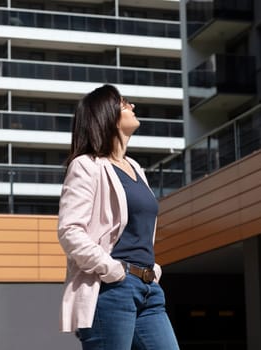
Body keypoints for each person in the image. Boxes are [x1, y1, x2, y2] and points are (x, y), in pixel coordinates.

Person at [57, 84, 180, 350]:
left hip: (149, 289)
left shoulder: (135, 167)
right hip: (111, 290)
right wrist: (112, 269)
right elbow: (70, 231)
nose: (132, 106)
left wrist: (153, 268)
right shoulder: (86, 166)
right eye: (124, 103)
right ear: (106, 115)